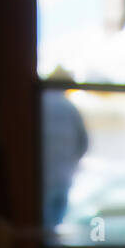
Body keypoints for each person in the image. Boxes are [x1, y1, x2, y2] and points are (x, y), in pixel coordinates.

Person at [42, 74, 89, 235]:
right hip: (62, 178)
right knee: (52, 228)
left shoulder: (38, 104)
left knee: (42, 229)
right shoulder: (69, 108)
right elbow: (83, 143)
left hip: (39, 179)